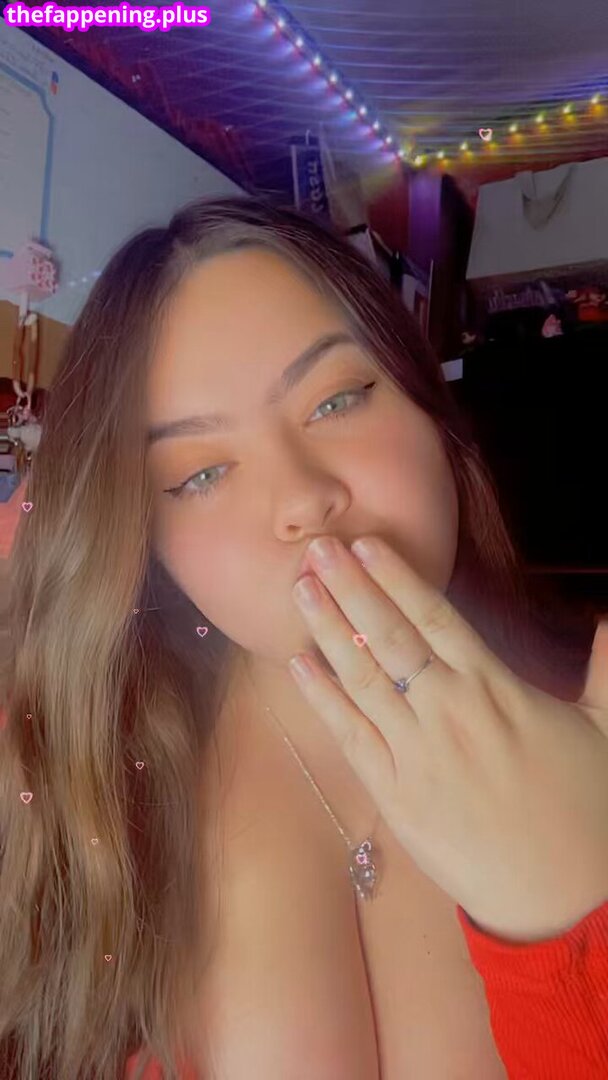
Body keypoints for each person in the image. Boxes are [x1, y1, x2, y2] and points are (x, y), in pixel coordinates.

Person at [0, 196, 606, 1080]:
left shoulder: (590, 722)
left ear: (430, 408)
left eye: (338, 400)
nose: (301, 500)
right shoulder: (81, 789)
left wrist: (575, 925)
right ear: (146, 544)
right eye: (200, 474)